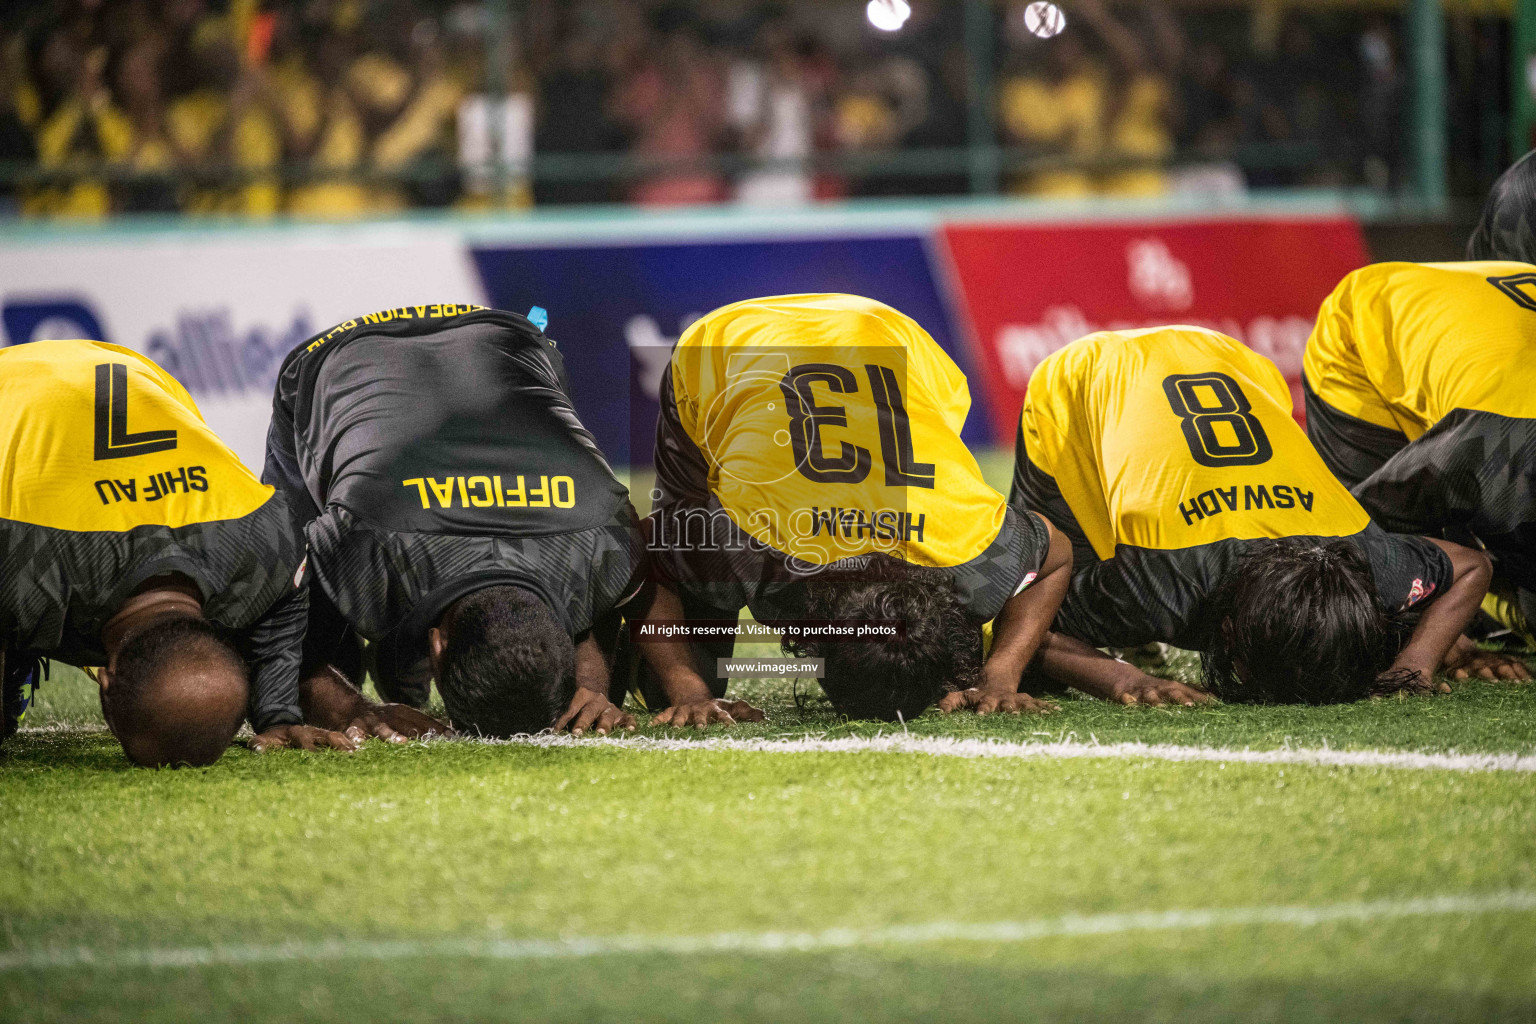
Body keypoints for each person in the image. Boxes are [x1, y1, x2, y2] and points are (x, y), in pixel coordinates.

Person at [264, 303, 759, 738]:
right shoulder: (359, 541)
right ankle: (392, 659)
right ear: (436, 646)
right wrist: (353, 707)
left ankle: (399, 661)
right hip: (329, 359)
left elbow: (629, 586)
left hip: (507, 339)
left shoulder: (597, 522)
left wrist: (674, 689)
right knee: (332, 650)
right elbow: (273, 616)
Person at [645, 293, 1071, 722]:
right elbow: (646, 546)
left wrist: (998, 676)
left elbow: (1055, 554)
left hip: (887, 333)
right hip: (726, 343)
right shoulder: (746, 544)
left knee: (687, 653)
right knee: (672, 670)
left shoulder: (967, 545)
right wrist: (687, 688)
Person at [1012, 326, 1492, 705]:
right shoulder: (1165, 586)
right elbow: (1028, 615)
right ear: (1226, 630)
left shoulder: (1367, 565)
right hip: (1088, 374)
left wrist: (1415, 664)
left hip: (1237, 362)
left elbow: (1472, 567)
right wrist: (1122, 678)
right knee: (1046, 571)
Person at [0, 340, 355, 766]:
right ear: (105, 683)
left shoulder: (269, 543)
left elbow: (284, 597)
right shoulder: (22, 560)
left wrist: (277, 714)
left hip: (137, 374)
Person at [1303, 256, 1536, 668]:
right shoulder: (1493, 453)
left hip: (1488, 320)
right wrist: (1448, 638)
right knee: (1378, 581)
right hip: (1368, 324)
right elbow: (1365, 524)